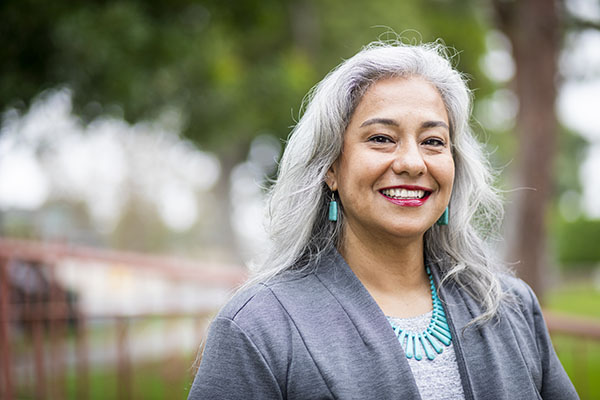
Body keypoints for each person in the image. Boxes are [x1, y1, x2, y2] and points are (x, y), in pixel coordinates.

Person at [188, 39, 578, 399]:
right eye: (381, 138)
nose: (411, 162)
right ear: (331, 168)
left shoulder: (509, 306)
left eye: (433, 142)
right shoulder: (258, 327)